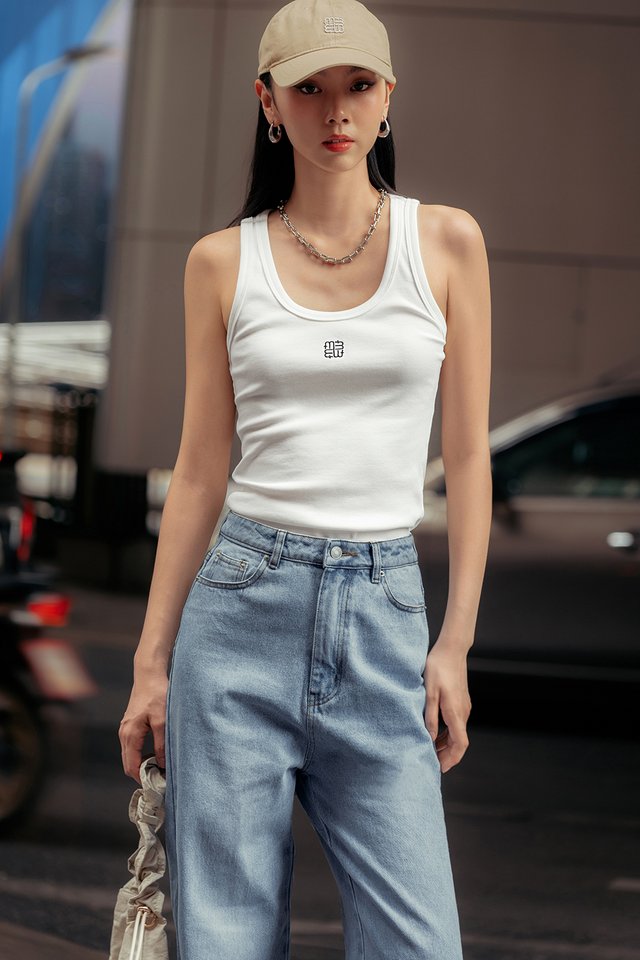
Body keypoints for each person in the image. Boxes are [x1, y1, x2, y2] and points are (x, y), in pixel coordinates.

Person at [119, 0, 492, 957]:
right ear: (267, 102)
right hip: (239, 614)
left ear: (388, 97)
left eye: (358, 85)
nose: (337, 110)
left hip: (384, 615)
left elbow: (468, 456)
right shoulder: (220, 262)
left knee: (419, 945)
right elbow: (201, 471)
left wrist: (454, 645)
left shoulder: (446, 243)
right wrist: (151, 661)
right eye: (310, 88)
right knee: (227, 942)